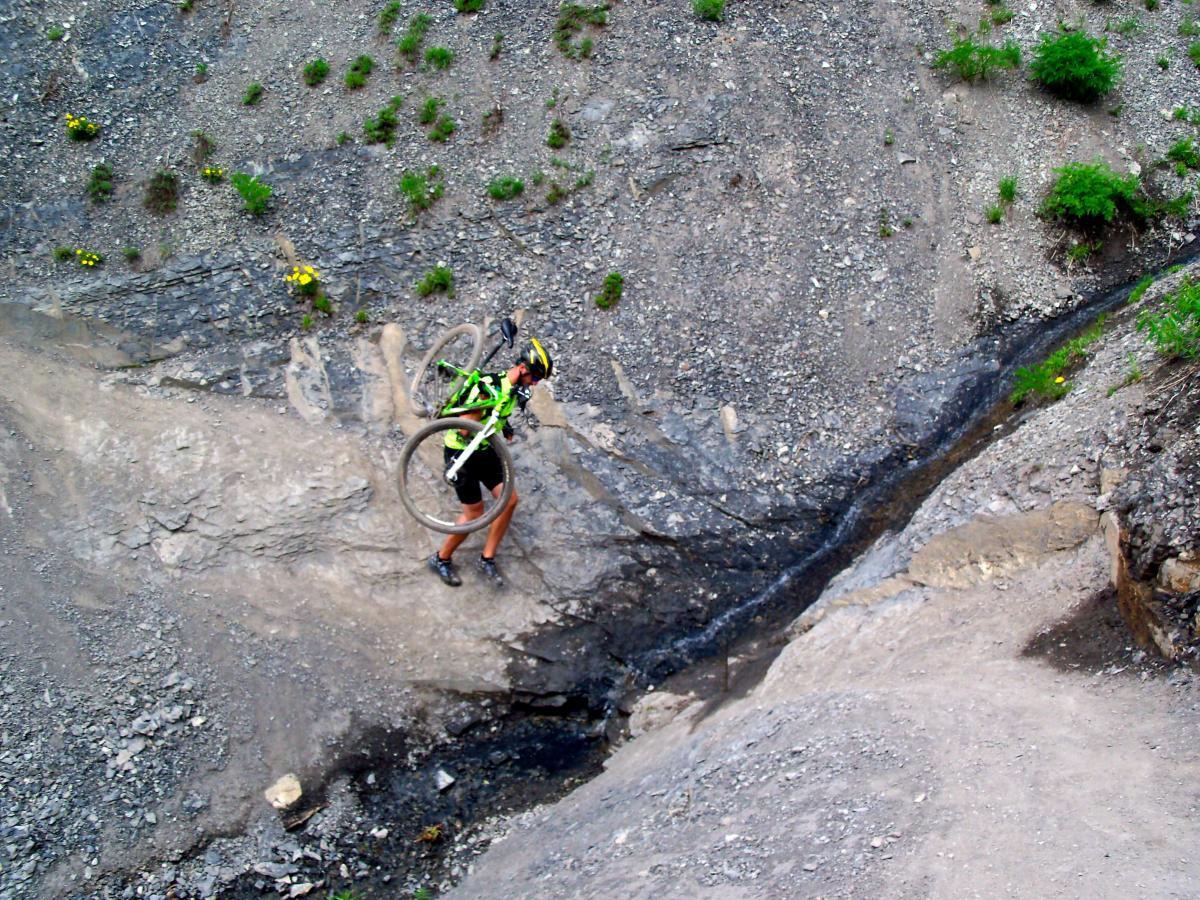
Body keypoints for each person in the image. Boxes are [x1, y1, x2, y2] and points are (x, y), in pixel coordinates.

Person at [427, 339, 554, 588]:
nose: (536, 383)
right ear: (523, 368)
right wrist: (479, 419)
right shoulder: (489, 387)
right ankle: (441, 559)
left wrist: (503, 425)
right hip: (461, 452)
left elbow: (496, 414)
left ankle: (487, 558)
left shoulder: (511, 391)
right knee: (474, 514)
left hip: (483, 449)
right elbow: (466, 425)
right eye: (536, 377)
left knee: (509, 500)